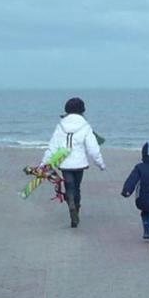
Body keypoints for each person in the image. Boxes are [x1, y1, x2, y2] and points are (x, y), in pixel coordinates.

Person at [41, 97, 105, 228]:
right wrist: (100, 164)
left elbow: (52, 146)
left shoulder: (60, 125)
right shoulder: (85, 126)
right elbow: (93, 148)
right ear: (82, 110)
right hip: (79, 164)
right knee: (77, 187)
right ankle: (76, 207)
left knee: (69, 186)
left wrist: (44, 163)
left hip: (64, 163)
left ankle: (70, 203)